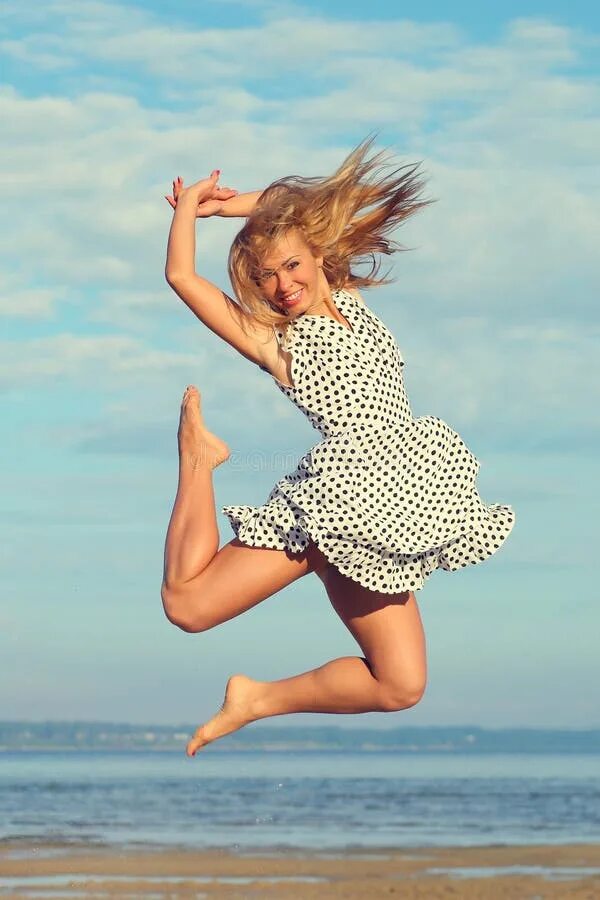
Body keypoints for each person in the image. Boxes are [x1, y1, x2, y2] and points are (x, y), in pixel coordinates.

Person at [161, 136, 516, 757]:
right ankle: (199, 461)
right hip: (339, 505)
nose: (282, 283)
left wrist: (233, 207)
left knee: (401, 684)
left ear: (318, 257)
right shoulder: (282, 344)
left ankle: (256, 700)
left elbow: (292, 202)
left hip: (400, 495)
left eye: (291, 266)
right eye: (266, 277)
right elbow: (181, 277)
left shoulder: (349, 297)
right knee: (188, 605)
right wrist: (189, 210)